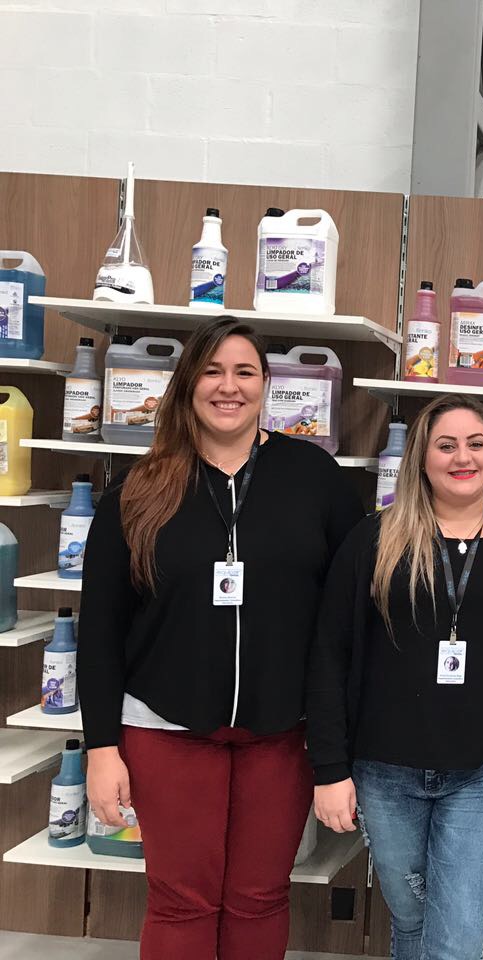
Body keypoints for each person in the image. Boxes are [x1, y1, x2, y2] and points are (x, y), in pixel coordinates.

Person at [78, 318, 364, 960]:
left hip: (282, 732)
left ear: (265, 385)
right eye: (211, 371)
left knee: (259, 897)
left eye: (244, 372)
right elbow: (98, 630)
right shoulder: (138, 488)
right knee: (182, 900)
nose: (228, 387)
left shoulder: (313, 477)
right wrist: (101, 747)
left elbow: (348, 612)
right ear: (187, 385)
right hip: (164, 728)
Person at [307, 394, 483, 960]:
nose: (463, 457)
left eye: (476, 444)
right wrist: (329, 769)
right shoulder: (374, 540)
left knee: (454, 943)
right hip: (384, 772)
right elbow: (330, 653)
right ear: (421, 460)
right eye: (446, 445)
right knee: (410, 925)